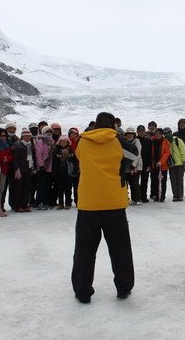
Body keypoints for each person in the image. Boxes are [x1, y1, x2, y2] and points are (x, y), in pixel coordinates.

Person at [71, 112, 137, 303]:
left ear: (95, 126)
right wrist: (120, 157)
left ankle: (82, 291)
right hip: (113, 202)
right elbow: (134, 153)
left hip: (88, 203)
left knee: (84, 251)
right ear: (113, 127)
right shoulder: (118, 141)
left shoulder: (83, 140)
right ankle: (124, 287)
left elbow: (78, 157)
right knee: (120, 249)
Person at [12, 128, 36, 212]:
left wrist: (33, 167)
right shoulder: (18, 145)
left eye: (29, 136)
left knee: (27, 188)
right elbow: (15, 158)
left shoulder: (31, 145)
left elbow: (32, 157)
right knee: (19, 188)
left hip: (28, 169)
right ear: (22, 136)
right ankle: (17, 206)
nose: (28, 137)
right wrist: (16, 169)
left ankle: (25, 205)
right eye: (26, 136)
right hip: (21, 169)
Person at [164, 127, 185, 201]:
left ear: (171, 132)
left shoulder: (177, 140)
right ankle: (175, 195)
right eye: (165, 133)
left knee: (180, 180)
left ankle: (180, 196)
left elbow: (183, 151)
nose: (167, 134)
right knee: (173, 181)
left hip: (179, 164)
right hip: (171, 164)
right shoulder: (165, 142)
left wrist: (184, 161)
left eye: (168, 132)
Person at [35, 126, 55, 210]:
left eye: (50, 131)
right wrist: (41, 165)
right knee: (41, 186)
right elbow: (38, 154)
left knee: (47, 185)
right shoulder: (40, 141)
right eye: (47, 131)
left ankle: (45, 201)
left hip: (49, 167)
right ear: (43, 132)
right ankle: (39, 202)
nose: (49, 133)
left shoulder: (51, 142)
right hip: (42, 167)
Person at [54, 135, 76, 209]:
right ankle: (60, 204)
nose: (63, 143)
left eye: (65, 141)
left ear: (67, 142)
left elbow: (74, 160)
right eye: (61, 141)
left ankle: (68, 203)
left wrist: (74, 170)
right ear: (59, 142)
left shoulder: (71, 149)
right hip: (59, 172)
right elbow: (55, 161)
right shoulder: (56, 149)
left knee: (68, 189)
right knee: (60, 189)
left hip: (68, 172)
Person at [150, 128, 170, 202]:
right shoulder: (152, 141)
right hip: (154, 164)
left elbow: (167, 153)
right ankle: (156, 195)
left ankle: (162, 196)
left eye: (159, 133)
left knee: (162, 182)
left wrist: (161, 162)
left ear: (162, 134)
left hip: (162, 165)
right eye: (156, 133)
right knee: (155, 181)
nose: (158, 135)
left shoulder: (165, 142)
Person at [125, 127, 143, 205]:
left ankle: (137, 199)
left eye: (131, 134)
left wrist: (133, 165)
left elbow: (137, 154)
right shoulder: (124, 142)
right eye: (128, 134)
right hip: (126, 166)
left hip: (137, 166)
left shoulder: (137, 142)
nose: (129, 135)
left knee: (134, 183)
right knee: (126, 184)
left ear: (134, 135)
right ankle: (127, 198)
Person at [136, 125, 152, 202]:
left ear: (145, 131)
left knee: (144, 181)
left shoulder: (148, 140)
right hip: (136, 164)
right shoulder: (135, 140)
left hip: (145, 164)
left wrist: (149, 165)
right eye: (139, 131)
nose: (141, 132)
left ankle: (144, 196)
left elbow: (150, 154)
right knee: (135, 182)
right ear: (137, 132)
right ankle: (137, 197)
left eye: (142, 131)